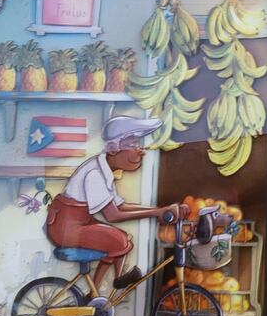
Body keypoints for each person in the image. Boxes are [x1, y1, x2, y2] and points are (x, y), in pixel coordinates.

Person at [46, 111, 172, 306]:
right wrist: (157, 213)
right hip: (67, 228)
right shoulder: (95, 174)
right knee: (118, 239)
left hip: (76, 222)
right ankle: (118, 279)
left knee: (118, 240)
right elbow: (113, 215)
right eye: (133, 145)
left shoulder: (104, 170)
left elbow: (120, 205)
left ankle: (95, 293)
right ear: (113, 149)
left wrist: (158, 209)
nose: (141, 151)